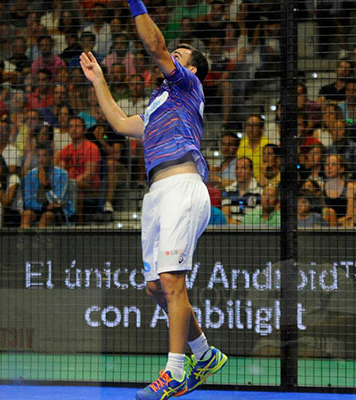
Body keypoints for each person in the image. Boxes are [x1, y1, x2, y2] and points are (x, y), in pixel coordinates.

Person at [80, 1, 226, 397]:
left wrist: (135, 4)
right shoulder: (159, 104)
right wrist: (98, 80)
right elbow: (120, 123)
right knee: (154, 288)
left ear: (191, 69)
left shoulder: (186, 86)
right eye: (174, 55)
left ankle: (175, 370)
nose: (172, 57)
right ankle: (204, 353)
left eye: (181, 56)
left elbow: (157, 47)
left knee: (171, 281)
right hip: (156, 193)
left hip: (183, 185)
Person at [21, 144, 72, 228]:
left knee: (46, 217)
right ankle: (24, 241)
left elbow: (57, 202)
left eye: (44, 155)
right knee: (26, 215)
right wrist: (43, 207)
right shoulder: (30, 175)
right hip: (40, 208)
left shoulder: (62, 174)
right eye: (38, 156)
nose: (41, 159)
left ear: (51, 158)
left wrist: (45, 183)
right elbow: (27, 201)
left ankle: (41, 241)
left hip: (58, 210)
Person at [220, 157, 262, 225]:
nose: (239, 171)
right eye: (237, 168)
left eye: (243, 168)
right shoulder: (227, 190)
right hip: (232, 229)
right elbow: (225, 216)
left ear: (251, 171)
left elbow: (258, 217)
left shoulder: (259, 191)